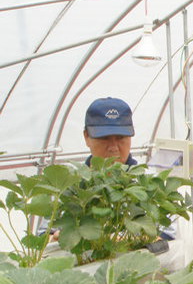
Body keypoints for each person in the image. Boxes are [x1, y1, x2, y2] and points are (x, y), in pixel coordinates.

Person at [42, 97, 176, 240]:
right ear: (86, 137)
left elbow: (168, 237)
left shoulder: (150, 183)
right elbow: (44, 236)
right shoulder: (69, 185)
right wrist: (56, 238)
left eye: (120, 138)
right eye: (104, 138)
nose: (113, 147)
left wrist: (130, 241)